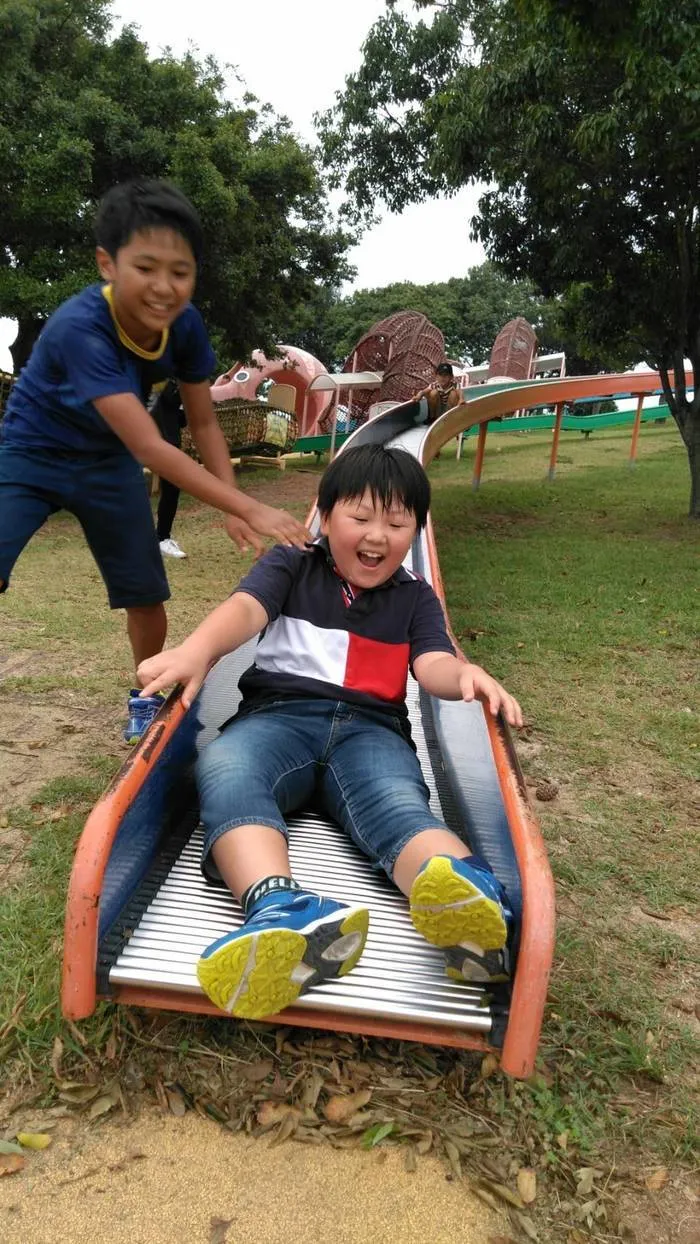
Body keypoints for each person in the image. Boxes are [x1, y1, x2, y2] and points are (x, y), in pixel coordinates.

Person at [137, 444, 523, 1020]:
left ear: (414, 530)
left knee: (397, 804)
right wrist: (198, 649)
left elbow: (431, 663)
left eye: (397, 523)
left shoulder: (415, 596)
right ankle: (279, 908)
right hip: (279, 718)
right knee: (227, 768)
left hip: (370, 732)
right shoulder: (293, 562)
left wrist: (464, 674)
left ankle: (469, 902)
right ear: (326, 514)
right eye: (361, 517)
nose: (378, 536)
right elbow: (244, 610)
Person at [0, 179, 309, 743]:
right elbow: (150, 446)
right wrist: (251, 506)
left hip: (107, 464)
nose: (164, 287)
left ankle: (145, 695)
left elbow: (205, 421)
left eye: (181, 271)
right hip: (33, 452)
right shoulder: (79, 326)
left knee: (145, 592)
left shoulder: (184, 326)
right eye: (146, 267)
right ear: (107, 264)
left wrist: (231, 502)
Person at [151, 380, 187, 559]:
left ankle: (162, 538)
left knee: (172, 489)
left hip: (165, 439)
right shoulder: (164, 381)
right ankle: (160, 538)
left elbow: (182, 420)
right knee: (171, 488)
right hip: (160, 440)